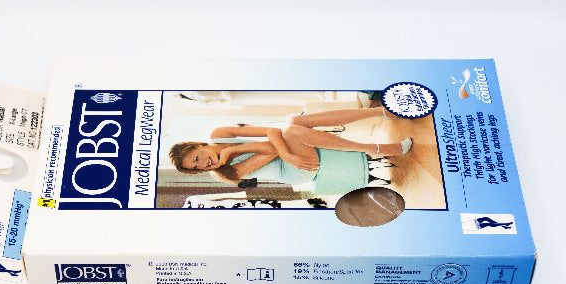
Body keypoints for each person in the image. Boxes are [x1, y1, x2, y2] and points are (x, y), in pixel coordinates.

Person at [168, 107, 412, 186]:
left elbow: (271, 132)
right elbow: (271, 149)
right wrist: (231, 153)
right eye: (197, 168)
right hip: (298, 170)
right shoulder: (224, 173)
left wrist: (230, 148)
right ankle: (374, 148)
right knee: (292, 130)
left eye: (197, 158)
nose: (204, 164)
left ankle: (381, 111)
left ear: (199, 145)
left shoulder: (220, 134)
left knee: (295, 122)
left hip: (290, 154)